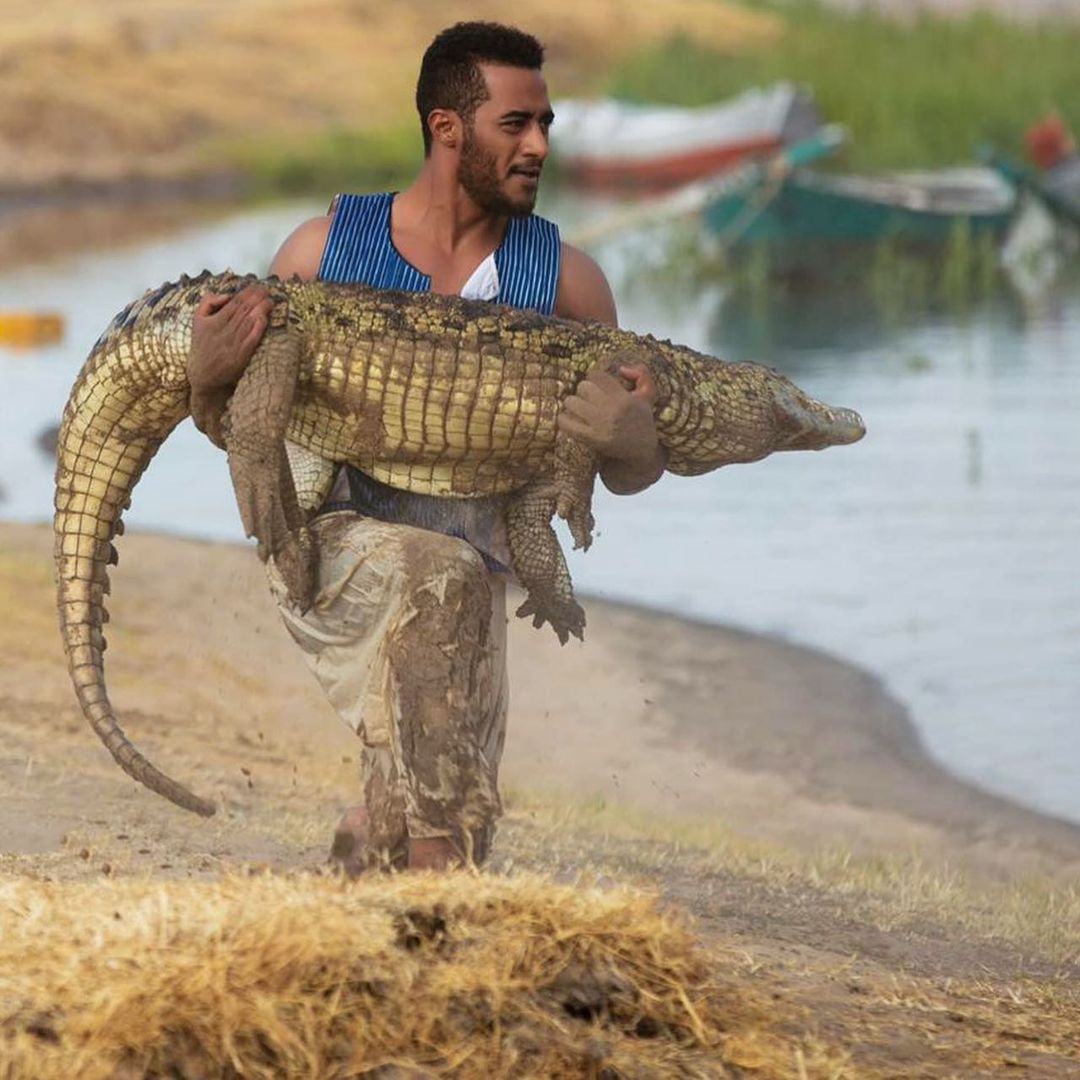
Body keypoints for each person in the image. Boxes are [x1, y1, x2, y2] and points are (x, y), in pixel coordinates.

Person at [186, 22, 666, 873]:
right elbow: (244, 435)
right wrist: (205, 384)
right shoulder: (321, 252)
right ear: (448, 128)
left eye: (545, 124)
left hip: (476, 587)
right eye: (515, 124)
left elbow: (624, 471)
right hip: (334, 553)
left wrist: (636, 446)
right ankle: (425, 870)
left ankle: (364, 859)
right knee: (445, 830)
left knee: (433, 820)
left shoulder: (567, 282)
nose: (539, 145)